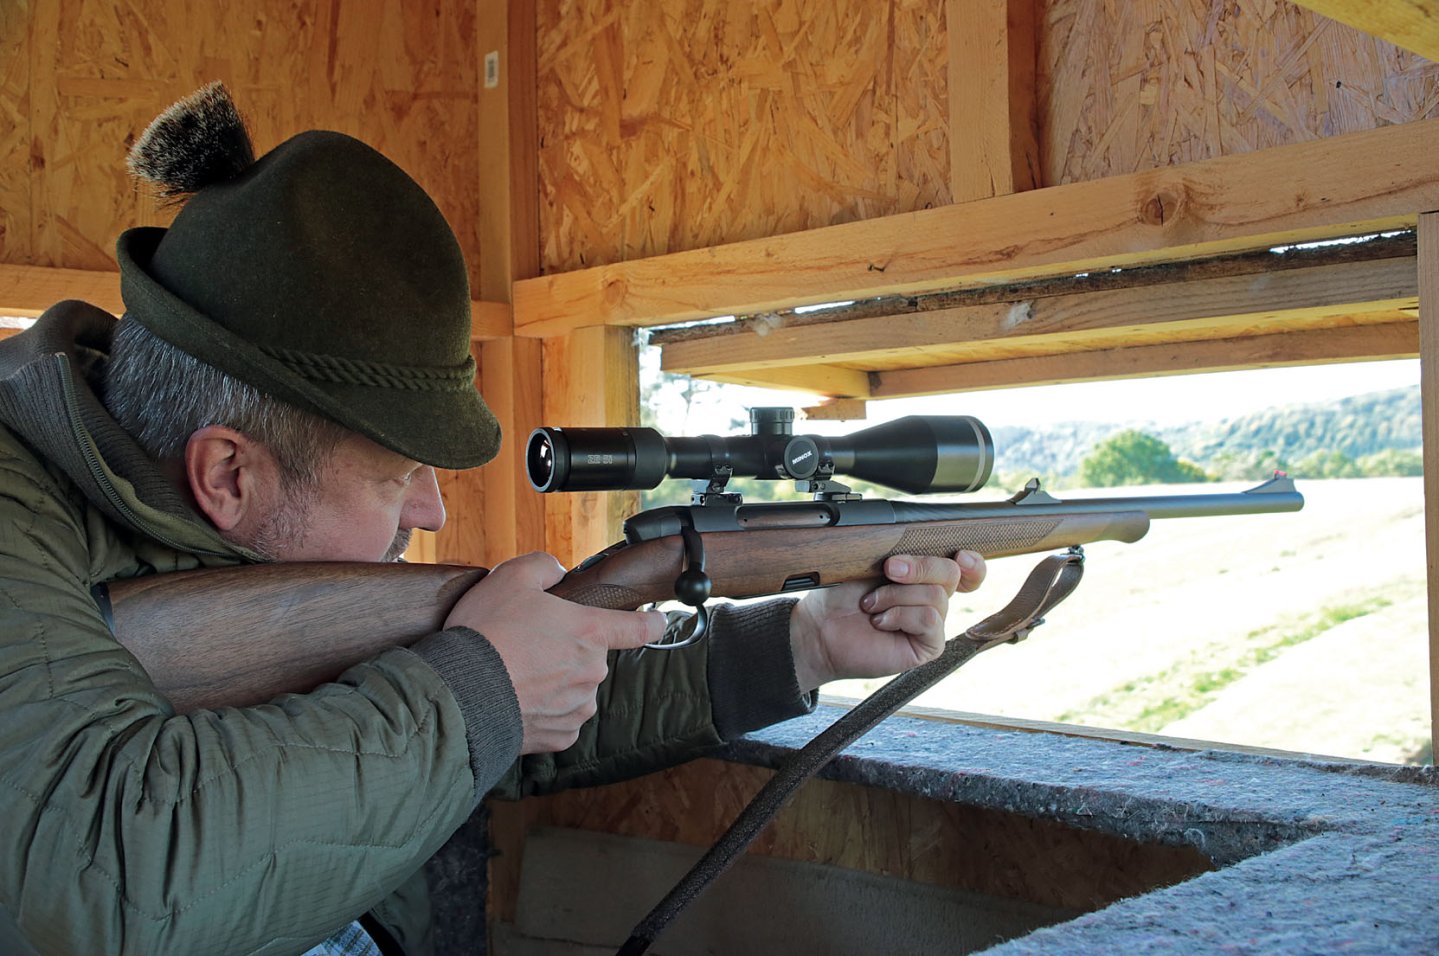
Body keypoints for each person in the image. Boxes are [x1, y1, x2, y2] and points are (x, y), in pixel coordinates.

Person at [0, 83, 986, 956]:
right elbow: (89, 883)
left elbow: (506, 712)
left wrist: (803, 638)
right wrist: (474, 684)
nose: (428, 511)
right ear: (227, 474)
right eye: (394, 478)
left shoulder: (241, 537)